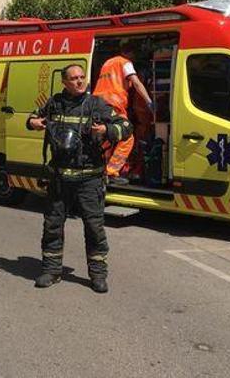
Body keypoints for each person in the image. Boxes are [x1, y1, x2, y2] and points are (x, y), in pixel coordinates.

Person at [26, 64, 132, 293]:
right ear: (64, 82)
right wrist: (33, 122)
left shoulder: (96, 104)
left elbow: (126, 127)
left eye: (82, 77)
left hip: (89, 180)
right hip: (59, 179)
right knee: (52, 226)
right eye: (74, 78)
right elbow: (33, 117)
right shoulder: (54, 103)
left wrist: (107, 130)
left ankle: (98, 275)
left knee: (94, 228)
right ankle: (51, 271)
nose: (79, 81)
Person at [92, 42, 153, 186]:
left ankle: (101, 170)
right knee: (127, 137)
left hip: (97, 104)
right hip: (113, 105)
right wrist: (149, 101)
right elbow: (136, 83)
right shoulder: (125, 63)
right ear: (130, 53)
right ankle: (111, 171)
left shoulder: (108, 63)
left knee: (106, 138)